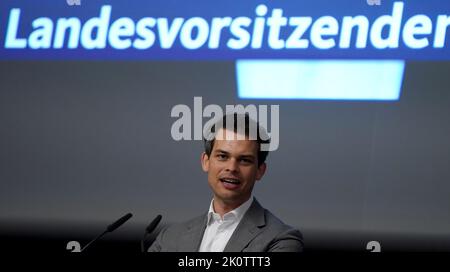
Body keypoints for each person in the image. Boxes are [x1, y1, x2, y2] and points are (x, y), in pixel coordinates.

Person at [148, 113, 304, 252]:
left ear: (260, 171)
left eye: (244, 160)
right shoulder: (170, 237)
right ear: (206, 161)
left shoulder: (281, 240)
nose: (232, 168)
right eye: (223, 156)